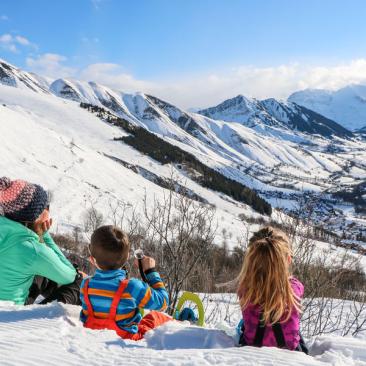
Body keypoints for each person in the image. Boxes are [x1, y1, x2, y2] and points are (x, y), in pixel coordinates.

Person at [80, 225, 171, 340]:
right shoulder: (132, 287)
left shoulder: (86, 285)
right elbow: (163, 302)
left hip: (93, 336)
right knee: (155, 317)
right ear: (127, 256)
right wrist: (150, 272)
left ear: (92, 259)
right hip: (126, 341)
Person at [0, 177, 81, 305]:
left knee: (42, 271)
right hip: (9, 313)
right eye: (45, 207)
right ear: (36, 216)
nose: (48, 209)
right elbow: (70, 276)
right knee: (77, 281)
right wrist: (45, 236)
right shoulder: (33, 249)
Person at [237, 226, 308, 353]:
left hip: (251, 346)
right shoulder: (295, 288)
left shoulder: (244, 289)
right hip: (291, 351)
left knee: (245, 325)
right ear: (288, 260)